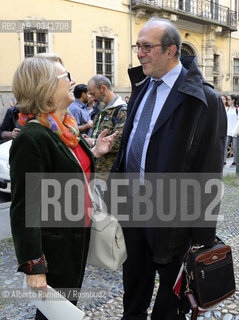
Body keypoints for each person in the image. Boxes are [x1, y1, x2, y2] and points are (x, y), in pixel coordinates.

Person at [110, 18, 226, 320]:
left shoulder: (204, 100)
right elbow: (132, 144)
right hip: (132, 209)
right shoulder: (141, 87)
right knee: (133, 287)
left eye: (147, 47)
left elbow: (209, 170)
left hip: (172, 219)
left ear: (171, 50)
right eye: (138, 46)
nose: (140, 53)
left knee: (170, 302)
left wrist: (203, 235)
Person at [9, 54, 117, 320]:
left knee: (68, 306)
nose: (73, 82)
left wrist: (95, 153)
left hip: (76, 236)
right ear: (45, 87)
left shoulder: (64, 127)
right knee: (54, 312)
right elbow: (24, 209)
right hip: (55, 246)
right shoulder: (33, 137)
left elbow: (68, 170)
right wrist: (34, 266)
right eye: (65, 77)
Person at [86, 75, 127, 181]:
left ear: (103, 89)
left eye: (93, 94)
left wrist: (93, 142)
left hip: (109, 175)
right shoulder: (102, 109)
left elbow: (119, 142)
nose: (92, 98)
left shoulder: (121, 111)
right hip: (96, 172)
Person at [224, 94, 238, 166]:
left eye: (229, 99)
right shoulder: (227, 109)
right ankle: (223, 161)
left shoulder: (237, 109)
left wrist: (235, 131)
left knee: (235, 147)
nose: (228, 101)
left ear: (233, 100)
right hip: (227, 131)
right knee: (225, 146)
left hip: (235, 132)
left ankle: (235, 162)